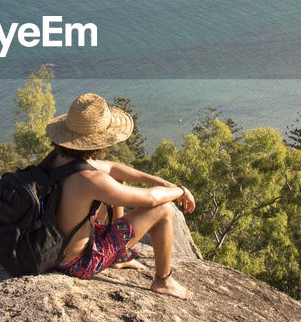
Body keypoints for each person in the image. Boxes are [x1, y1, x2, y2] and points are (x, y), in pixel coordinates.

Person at [45, 93, 196, 300]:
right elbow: (152, 200)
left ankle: (121, 256)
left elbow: (114, 168)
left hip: (53, 248)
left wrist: (162, 182)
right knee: (163, 210)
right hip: (77, 263)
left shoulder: (56, 161)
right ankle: (163, 281)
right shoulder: (90, 180)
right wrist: (180, 190)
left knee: (117, 181)